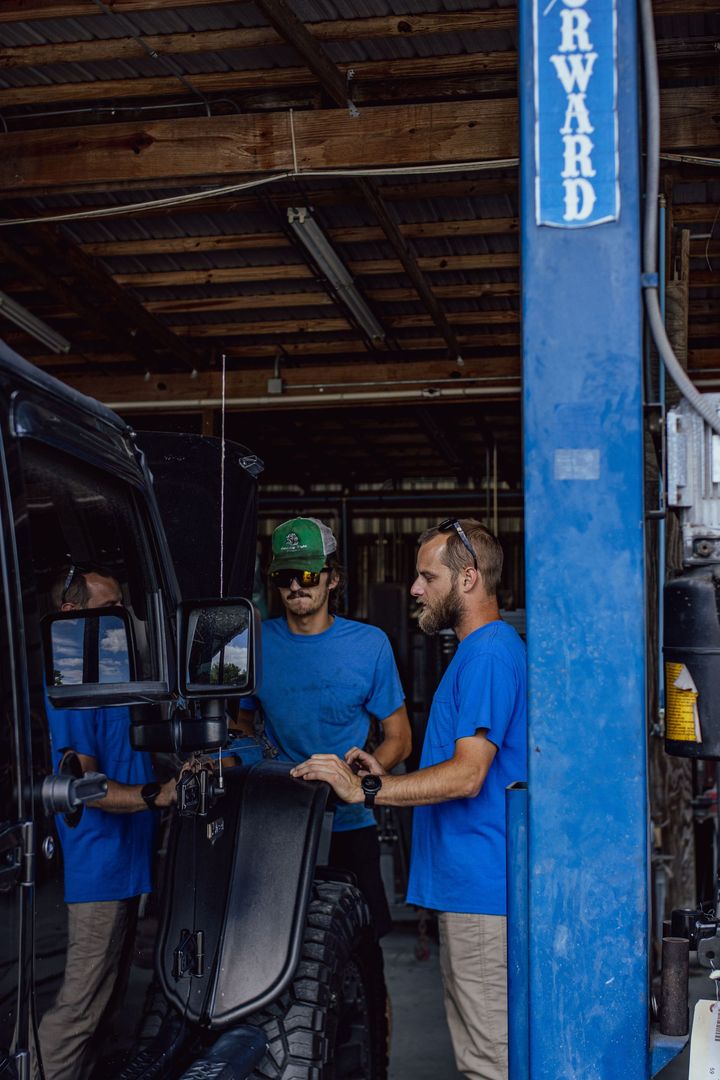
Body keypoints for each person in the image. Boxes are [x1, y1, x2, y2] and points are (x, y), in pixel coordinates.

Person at [291, 519, 527, 1080]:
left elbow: (469, 776)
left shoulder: (489, 654)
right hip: (472, 887)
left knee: (489, 1063)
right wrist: (384, 770)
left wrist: (369, 788)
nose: (416, 589)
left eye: (427, 576)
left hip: (482, 891)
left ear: (468, 578)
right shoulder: (477, 653)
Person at [235, 517, 411, 938]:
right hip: (278, 821)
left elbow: (400, 738)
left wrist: (358, 779)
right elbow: (240, 721)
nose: (297, 586)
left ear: (332, 579)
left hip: (349, 821)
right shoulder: (255, 643)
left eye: (309, 575)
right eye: (285, 576)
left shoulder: (369, 645)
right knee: (280, 941)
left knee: (362, 943)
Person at [38, 565, 177, 1080]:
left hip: (128, 862)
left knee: (104, 1012)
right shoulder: (71, 676)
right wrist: (154, 795)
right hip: (98, 865)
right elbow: (86, 784)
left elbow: (128, 753)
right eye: (109, 610)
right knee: (80, 1010)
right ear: (70, 614)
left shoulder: (107, 672)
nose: (121, 621)